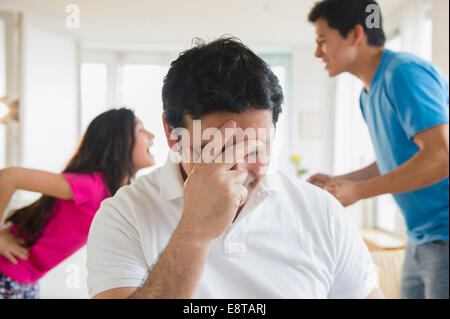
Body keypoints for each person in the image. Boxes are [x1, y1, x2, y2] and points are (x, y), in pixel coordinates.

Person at [86, 37, 383, 299]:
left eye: (254, 149)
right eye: (217, 150)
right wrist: (194, 232)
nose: (237, 169)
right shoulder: (123, 216)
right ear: (170, 132)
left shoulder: (322, 212)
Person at [307, 0, 449, 299]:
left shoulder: (404, 73)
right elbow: (392, 160)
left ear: (355, 34)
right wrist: (342, 181)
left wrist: (358, 192)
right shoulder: (367, 94)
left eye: (322, 40)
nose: (317, 52)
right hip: (421, 237)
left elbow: (441, 156)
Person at [0, 108, 155, 299]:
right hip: (7, 273)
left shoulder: (114, 195)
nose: (152, 135)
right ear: (119, 144)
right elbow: (8, 177)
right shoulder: (91, 186)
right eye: (141, 130)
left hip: (27, 279)